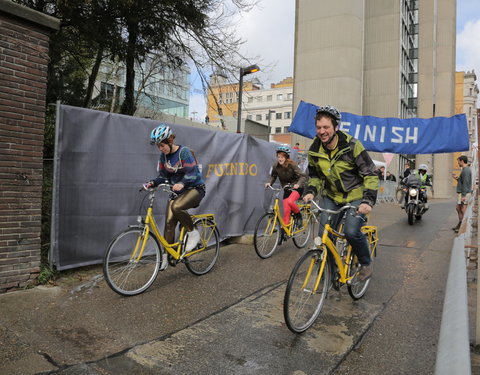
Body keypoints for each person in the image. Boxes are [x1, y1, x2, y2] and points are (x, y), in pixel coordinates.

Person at [302, 105, 379, 281]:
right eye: (319, 127)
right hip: (331, 196)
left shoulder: (352, 146)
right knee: (324, 237)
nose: (322, 131)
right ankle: (330, 270)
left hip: (355, 196)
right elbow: (314, 175)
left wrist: (367, 201)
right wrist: (311, 191)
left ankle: (366, 262)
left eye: (326, 127)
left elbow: (370, 174)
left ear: (336, 128)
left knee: (351, 232)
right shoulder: (314, 149)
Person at [144, 124, 206, 255]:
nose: (161, 149)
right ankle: (168, 256)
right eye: (158, 146)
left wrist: (182, 183)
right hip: (177, 192)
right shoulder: (163, 157)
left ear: (170, 141)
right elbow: (162, 176)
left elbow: (193, 173)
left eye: (162, 145)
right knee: (169, 223)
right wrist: (153, 182)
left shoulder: (183, 152)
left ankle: (193, 233)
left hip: (195, 189)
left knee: (177, 207)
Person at [265, 145, 307, 240]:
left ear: (286, 157)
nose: (280, 159)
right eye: (279, 157)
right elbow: (273, 176)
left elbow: (303, 176)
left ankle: (299, 216)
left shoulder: (292, 165)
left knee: (290, 201)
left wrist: (298, 184)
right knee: (286, 211)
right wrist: (269, 182)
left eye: (282, 157)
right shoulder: (275, 166)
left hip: (297, 188)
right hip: (287, 189)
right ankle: (284, 232)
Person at [452, 155, 472, 233]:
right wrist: (457, 178)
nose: (458, 163)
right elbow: (463, 182)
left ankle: (464, 227)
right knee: (458, 208)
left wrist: (463, 195)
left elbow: (466, 183)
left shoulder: (466, 170)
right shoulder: (464, 170)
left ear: (462, 161)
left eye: (458, 161)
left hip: (464, 193)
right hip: (463, 193)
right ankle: (461, 224)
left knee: (463, 209)